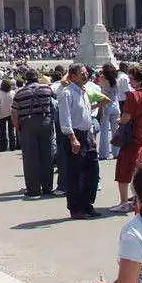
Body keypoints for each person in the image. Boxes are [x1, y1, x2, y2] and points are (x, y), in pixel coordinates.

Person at [59, 63, 101, 219]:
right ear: (73, 76)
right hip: (74, 136)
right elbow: (65, 118)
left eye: (86, 73)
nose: (85, 75)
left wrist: (90, 135)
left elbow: (87, 114)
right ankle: (75, 208)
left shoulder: (84, 91)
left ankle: (87, 204)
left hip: (87, 134)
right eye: (82, 73)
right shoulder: (67, 93)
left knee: (93, 172)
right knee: (75, 174)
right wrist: (72, 138)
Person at [111, 67, 142, 213]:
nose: (130, 81)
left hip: (132, 136)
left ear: (139, 80)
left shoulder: (133, 96)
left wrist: (119, 121)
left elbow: (126, 118)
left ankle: (124, 201)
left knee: (124, 169)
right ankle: (138, 199)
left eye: (132, 79)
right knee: (141, 169)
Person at [10, 69, 54, 199]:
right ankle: (47, 187)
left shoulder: (20, 93)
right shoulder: (46, 89)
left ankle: (33, 189)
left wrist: (18, 127)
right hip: (45, 121)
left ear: (26, 80)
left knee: (30, 158)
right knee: (47, 155)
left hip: (27, 123)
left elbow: (14, 112)